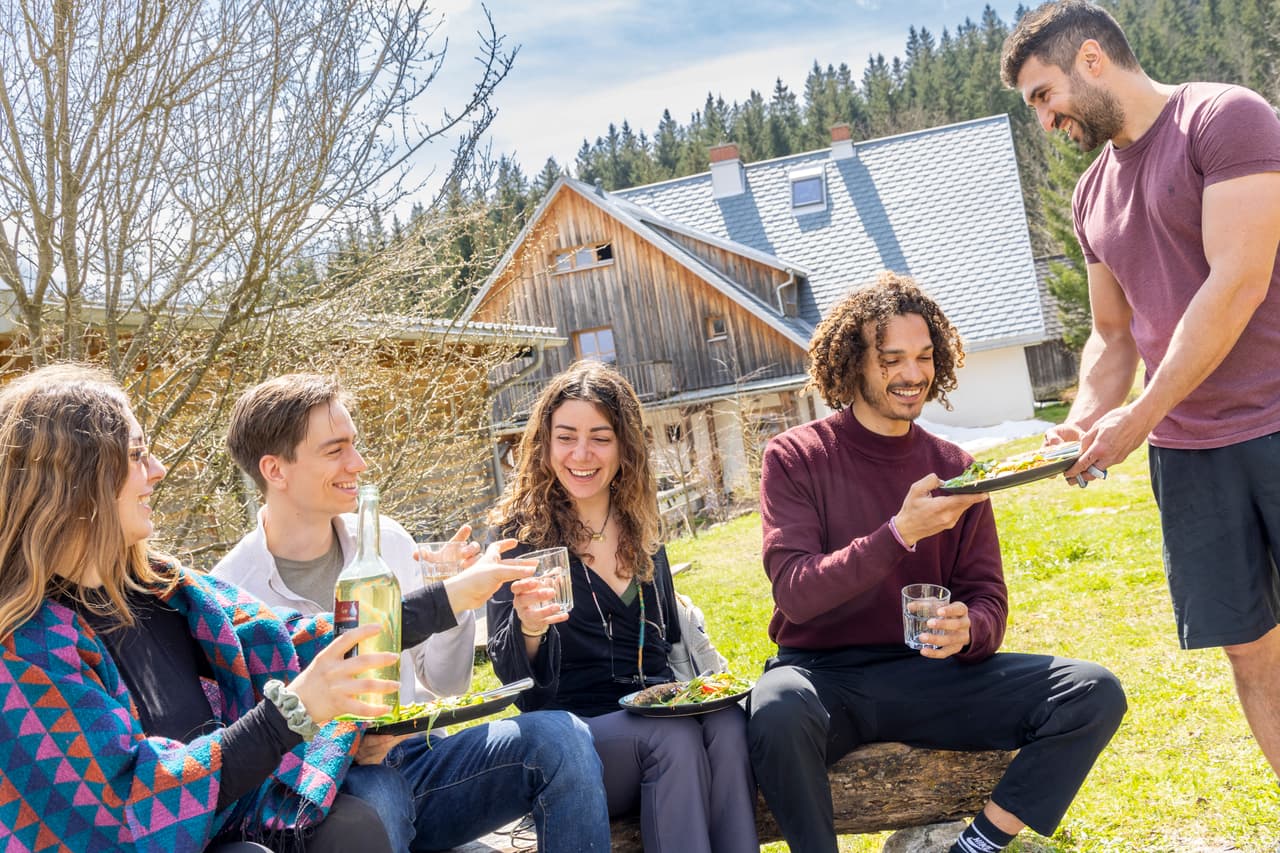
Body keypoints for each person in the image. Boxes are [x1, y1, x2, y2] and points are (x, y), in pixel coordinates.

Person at [0, 363, 548, 852]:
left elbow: (301, 639)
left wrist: (455, 595)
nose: (160, 469)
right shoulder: (27, 648)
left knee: (356, 824)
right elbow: (130, 807)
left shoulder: (164, 589)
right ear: (77, 479)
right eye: (138, 454)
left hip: (235, 822)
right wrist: (293, 712)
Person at [746, 273, 1127, 853]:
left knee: (1092, 690)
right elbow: (795, 592)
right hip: (823, 678)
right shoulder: (795, 456)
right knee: (773, 708)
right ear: (854, 364)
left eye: (924, 356)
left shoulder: (957, 467)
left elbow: (987, 598)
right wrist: (899, 533)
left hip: (927, 676)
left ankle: (978, 843)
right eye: (892, 358)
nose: (912, 374)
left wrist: (969, 629)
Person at [1001, 0, 1280, 788]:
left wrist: (1140, 415)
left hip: (1275, 417)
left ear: (1091, 59)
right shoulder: (1091, 195)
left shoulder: (1225, 118)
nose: (1045, 119)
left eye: (1043, 96)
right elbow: (1111, 333)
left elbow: (1239, 280)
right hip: (1192, 457)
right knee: (1250, 648)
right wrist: (1084, 420)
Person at [211, 373, 611, 852]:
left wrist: (451, 601)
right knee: (374, 811)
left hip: (423, 757)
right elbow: (246, 748)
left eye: (354, 445)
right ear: (276, 470)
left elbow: (446, 682)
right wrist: (339, 746)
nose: (357, 463)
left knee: (561, 737)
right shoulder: (232, 590)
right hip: (338, 794)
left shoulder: (388, 540)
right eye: (335, 449)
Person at [486, 360, 758, 853]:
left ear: (624, 446)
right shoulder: (519, 539)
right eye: (566, 436)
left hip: (653, 714)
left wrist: (689, 700)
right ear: (545, 446)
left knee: (727, 724)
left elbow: (666, 648)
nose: (582, 453)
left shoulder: (642, 532)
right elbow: (513, 684)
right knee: (671, 740)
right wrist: (528, 627)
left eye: (600, 437)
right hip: (570, 739)